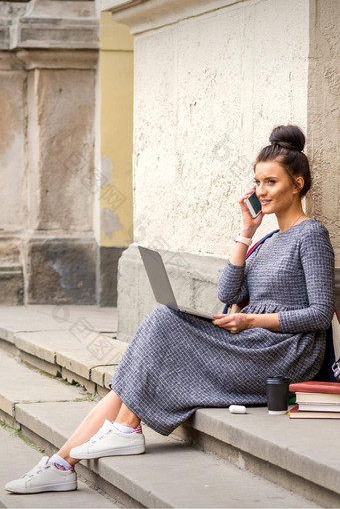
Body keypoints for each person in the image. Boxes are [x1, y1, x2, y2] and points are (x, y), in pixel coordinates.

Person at [5, 124, 335, 494]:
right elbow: (227, 290)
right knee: (139, 365)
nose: (260, 190)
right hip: (251, 340)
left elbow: (320, 315)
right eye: (256, 182)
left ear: (298, 184)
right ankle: (62, 462)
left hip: (284, 352)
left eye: (271, 182)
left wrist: (250, 319)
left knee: (164, 323)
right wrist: (247, 232)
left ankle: (118, 433)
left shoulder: (312, 236)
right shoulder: (269, 238)